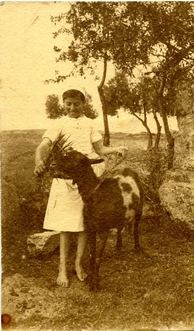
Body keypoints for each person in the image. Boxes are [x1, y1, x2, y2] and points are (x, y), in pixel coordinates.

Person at [34, 89, 127, 287]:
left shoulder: (90, 123)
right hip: (66, 180)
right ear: (63, 104)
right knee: (66, 226)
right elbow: (43, 145)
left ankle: (78, 265)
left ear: (83, 104)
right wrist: (39, 161)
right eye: (68, 104)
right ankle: (61, 270)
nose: (72, 108)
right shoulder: (59, 123)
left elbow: (99, 149)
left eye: (76, 104)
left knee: (85, 224)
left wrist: (116, 149)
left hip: (88, 181)